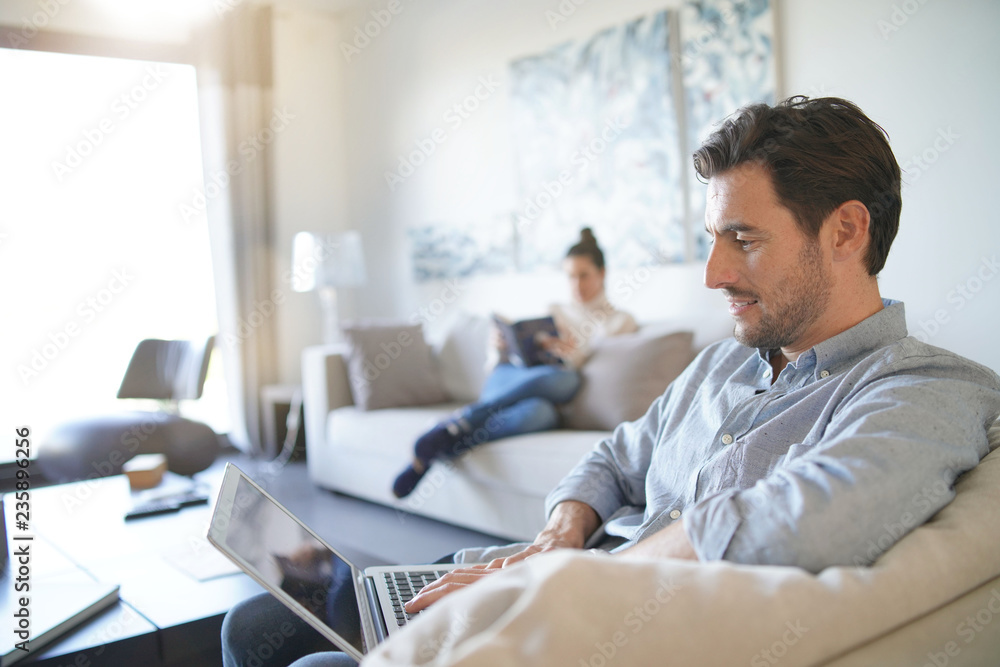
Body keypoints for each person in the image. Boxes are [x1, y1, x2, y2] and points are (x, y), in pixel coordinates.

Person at [221, 96, 1000, 666]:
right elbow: (619, 455)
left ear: (847, 230)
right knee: (258, 622)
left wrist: (565, 578)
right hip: (561, 584)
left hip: (592, 627)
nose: (713, 273)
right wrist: (557, 536)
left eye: (744, 239)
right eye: (711, 238)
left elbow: (807, 520)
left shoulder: (924, 387)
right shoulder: (725, 361)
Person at [392, 227, 638, 498]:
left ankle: (442, 442)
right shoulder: (553, 310)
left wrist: (571, 351)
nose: (576, 285)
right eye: (570, 276)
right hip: (511, 379)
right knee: (564, 378)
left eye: (584, 275)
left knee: (545, 408)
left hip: (548, 394)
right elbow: (518, 354)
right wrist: (500, 348)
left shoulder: (619, 321)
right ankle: (463, 420)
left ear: (602, 274)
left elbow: (593, 361)